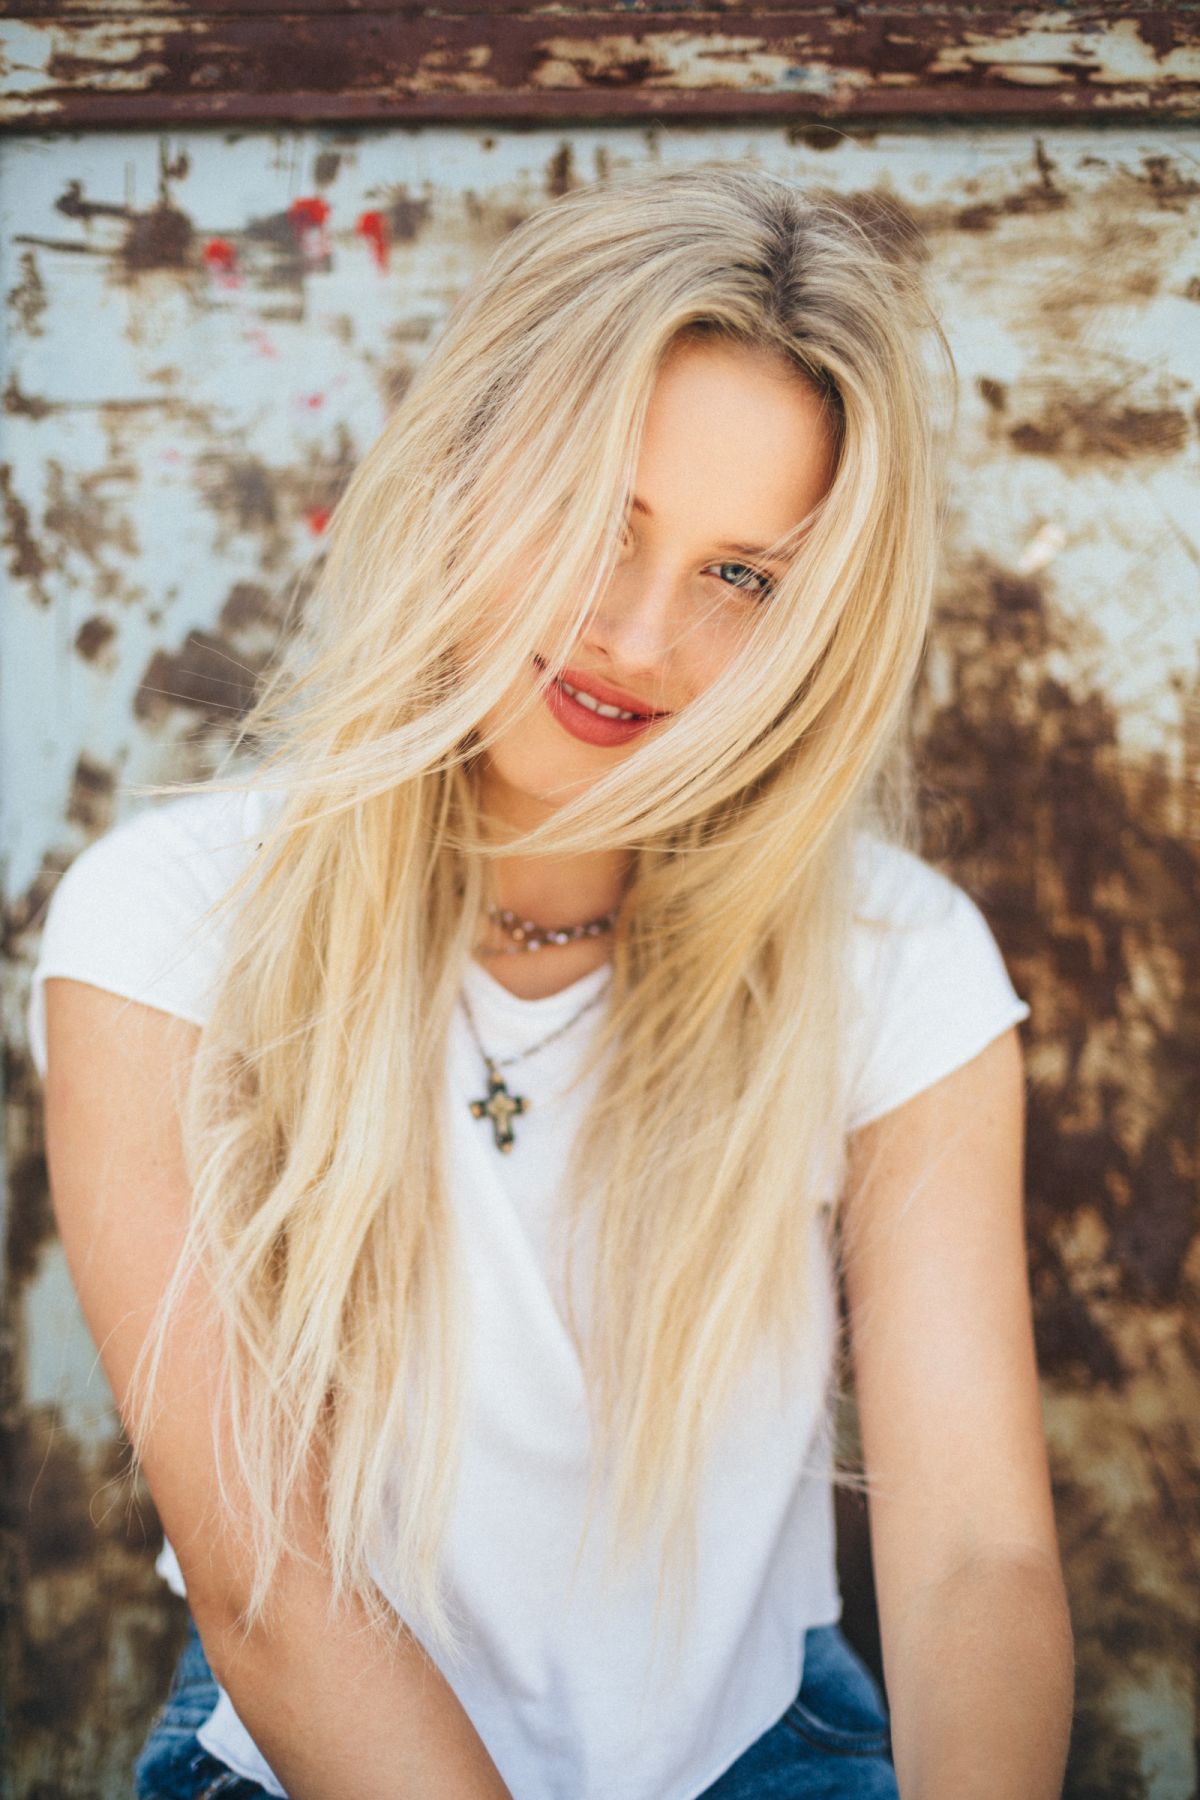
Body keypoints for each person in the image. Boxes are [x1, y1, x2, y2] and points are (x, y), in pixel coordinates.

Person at [30, 162, 1074, 1800]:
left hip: (768, 1755)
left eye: (741, 576)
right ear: (464, 467)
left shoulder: (896, 961)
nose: (637, 637)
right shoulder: (167, 932)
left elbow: (975, 1564)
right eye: (601, 516)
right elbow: (272, 1590)